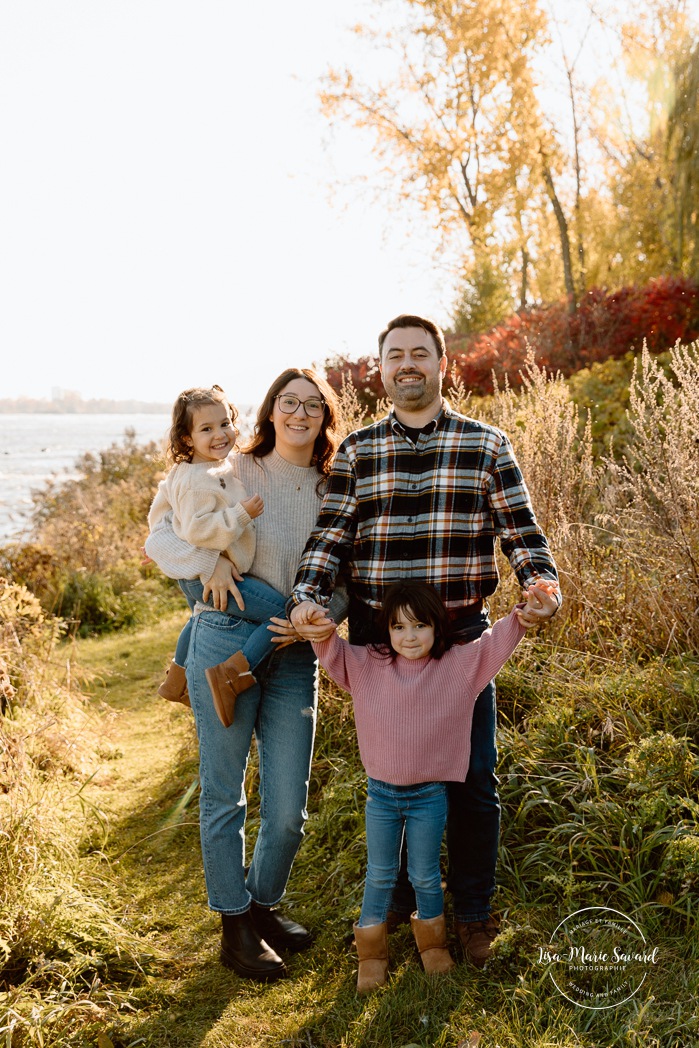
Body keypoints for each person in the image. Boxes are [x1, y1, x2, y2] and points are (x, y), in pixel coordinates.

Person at [289, 313, 561, 968]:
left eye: (419, 353)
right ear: (380, 370)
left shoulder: (486, 445)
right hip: (378, 639)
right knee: (392, 776)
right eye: (394, 356)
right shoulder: (357, 451)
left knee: (471, 778)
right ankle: (409, 907)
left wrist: (541, 584)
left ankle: (470, 913)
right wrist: (306, 598)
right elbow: (331, 538)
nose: (406, 364)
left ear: (442, 364)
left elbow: (520, 532)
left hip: (459, 636)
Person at [144, 368, 346, 982]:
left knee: (288, 812)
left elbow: (352, 575)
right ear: (271, 410)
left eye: (313, 405)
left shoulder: (338, 485)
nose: (300, 414)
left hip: (292, 655)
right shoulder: (233, 467)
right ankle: (233, 923)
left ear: (326, 416)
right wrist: (207, 563)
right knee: (224, 792)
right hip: (223, 639)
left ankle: (260, 904)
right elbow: (160, 534)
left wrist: (321, 619)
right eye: (289, 402)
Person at [304, 577, 558, 992]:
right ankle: (370, 955)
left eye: (420, 626)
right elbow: (330, 648)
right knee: (380, 875)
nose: (409, 636)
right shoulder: (368, 663)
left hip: (430, 798)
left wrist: (524, 612)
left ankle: (433, 946)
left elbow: (496, 641)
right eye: (399, 627)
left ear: (438, 627)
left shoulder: (458, 665)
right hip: (382, 798)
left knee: (425, 874)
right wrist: (315, 618)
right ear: (386, 629)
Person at [148, 384, 287, 726]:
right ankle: (232, 675)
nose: (220, 434)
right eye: (206, 429)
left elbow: (166, 506)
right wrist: (240, 514)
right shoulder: (198, 480)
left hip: (200, 575)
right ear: (186, 439)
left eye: (225, 423)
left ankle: (176, 679)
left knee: (198, 616)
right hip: (208, 573)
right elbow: (197, 530)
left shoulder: (201, 470)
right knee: (284, 614)